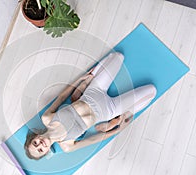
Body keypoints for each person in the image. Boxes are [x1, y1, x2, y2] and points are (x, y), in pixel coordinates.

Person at [24, 52, 157, 160]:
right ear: (46, 152)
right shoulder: (66, 146)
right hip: (109, 110)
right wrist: (118, 130)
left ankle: (87, 83)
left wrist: (81, 80)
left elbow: (61, 97)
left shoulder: (47, 119)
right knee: (152, 91)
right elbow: (94, 139)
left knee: (118, 56)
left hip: (93, 92)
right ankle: (120, 117)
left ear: (35, 136)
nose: (40, 144)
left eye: (35, 143)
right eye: (40, 150)